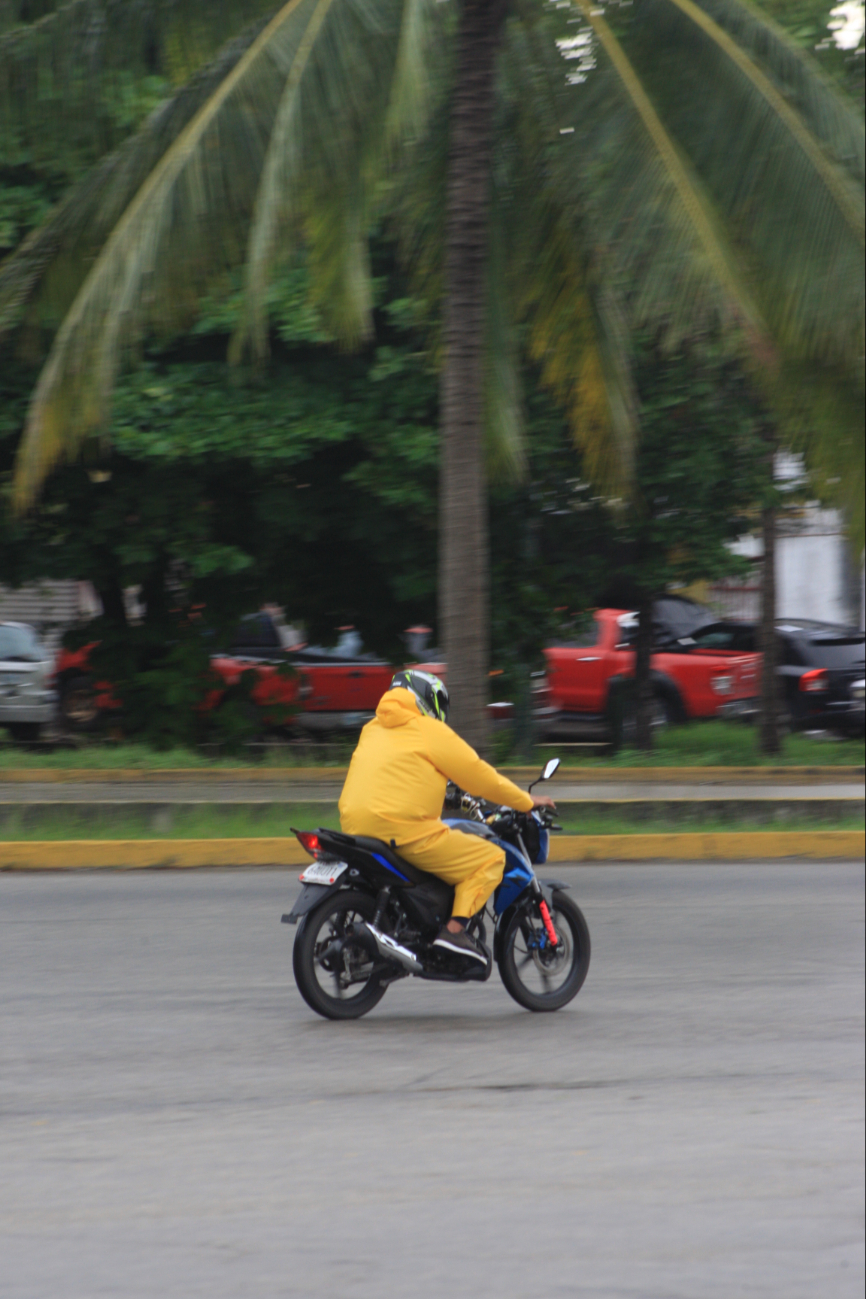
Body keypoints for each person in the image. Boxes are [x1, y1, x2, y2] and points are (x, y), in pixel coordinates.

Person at [338, 669, 556, 964]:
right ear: (427, 699)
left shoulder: (373, 728)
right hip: (402, 830)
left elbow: (396, 777)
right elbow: (481, 778)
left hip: (356, 827)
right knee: (490, 858)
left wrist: (443, 792)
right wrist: (525, 801)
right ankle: (454, 932)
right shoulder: (429, 730)